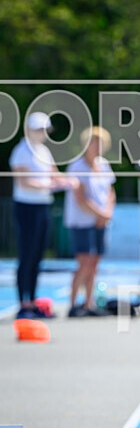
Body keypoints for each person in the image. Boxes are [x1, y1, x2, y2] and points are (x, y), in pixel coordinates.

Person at [9, 112, 78, 319]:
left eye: (44, 130)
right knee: (27, 255)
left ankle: (33, 300)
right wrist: (49, 185)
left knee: (38, 256)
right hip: (26, 207)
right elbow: (23, 181)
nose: (42, 133)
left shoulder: (44, 151)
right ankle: (23, 303)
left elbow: (54, 174)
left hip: (42, 206)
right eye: (38, 129)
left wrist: (71, 180)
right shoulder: (21, 151)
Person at [63, 127, 116, 317]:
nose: (97, 147)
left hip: (100, 222)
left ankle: (88, 302)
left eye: (100, 143)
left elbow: (110, 192)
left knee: (94, 263)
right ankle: (73, 304)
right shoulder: (76, 167)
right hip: (82, 221)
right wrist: (100, 214)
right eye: (93, 143)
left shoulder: (104, 165)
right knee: (84, 262)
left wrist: (107, 213)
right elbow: (80, 197)